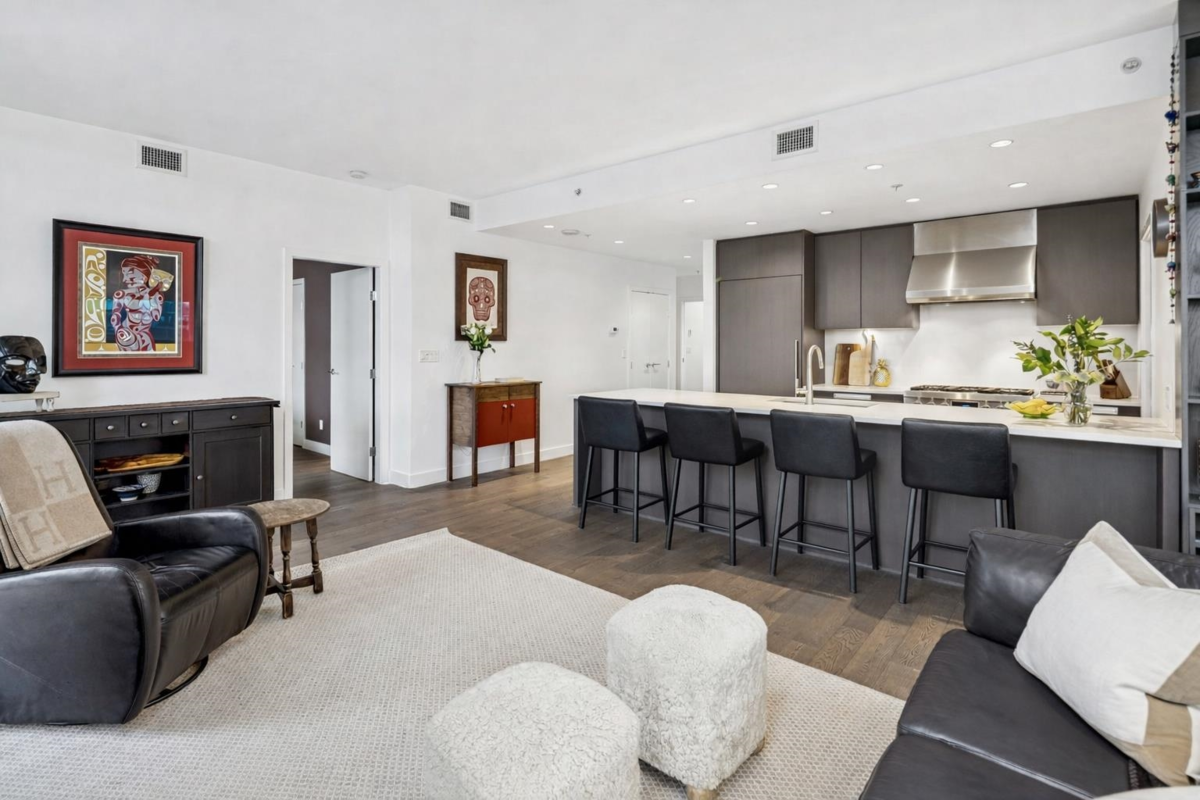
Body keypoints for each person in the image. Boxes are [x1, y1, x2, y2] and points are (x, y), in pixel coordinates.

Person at [110, 254, 172, 352]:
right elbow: (115, 316)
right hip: (126, 334)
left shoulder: (157, 295)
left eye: (130, 273)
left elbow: (156, 317)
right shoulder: (121, 294)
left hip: (145, 336)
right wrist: (118, 330)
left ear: (145, 274)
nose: (125, 279)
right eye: (124, 274)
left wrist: (151, 295)